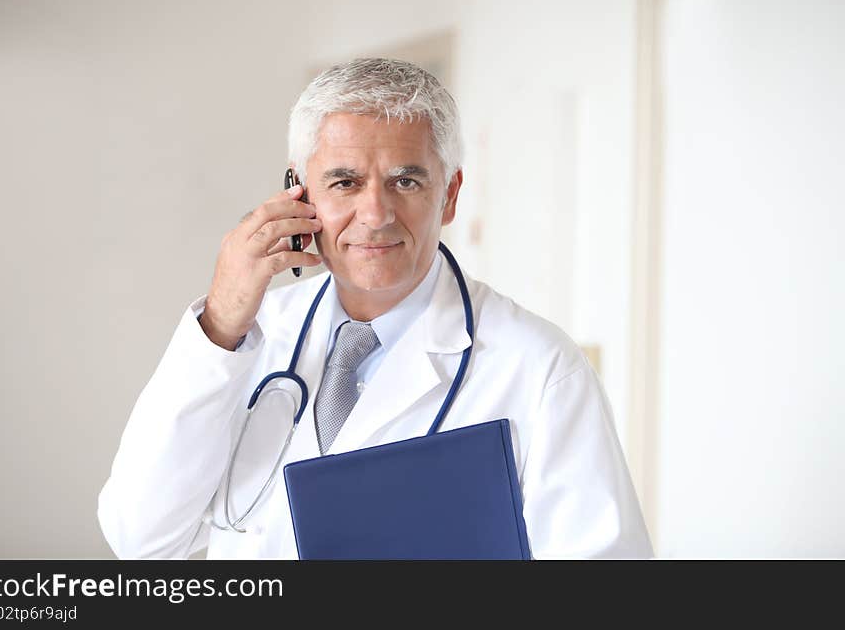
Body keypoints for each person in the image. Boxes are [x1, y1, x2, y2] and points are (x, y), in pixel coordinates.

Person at [97, 58, 653, 559]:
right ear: (299, 192)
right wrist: (219, 321)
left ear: (450, 195)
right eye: (344, 181)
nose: (376, 213)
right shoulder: (246, 335)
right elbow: (141, 539)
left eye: (405, 180)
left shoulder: (538, 367)